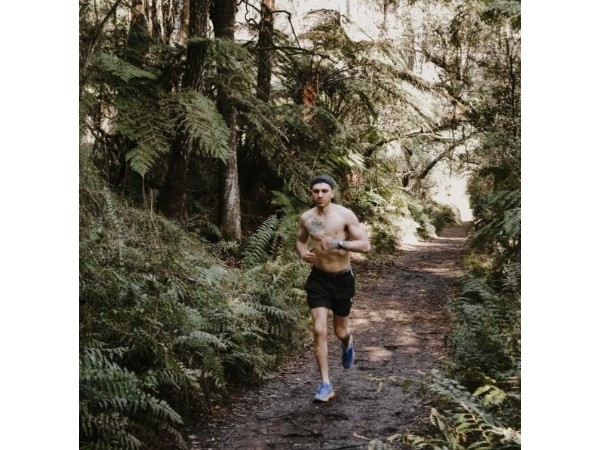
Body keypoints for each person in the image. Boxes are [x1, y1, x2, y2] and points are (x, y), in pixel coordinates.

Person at [296, 174, 372, 402]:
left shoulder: (344, 215)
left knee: (340, 331)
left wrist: (339, 243)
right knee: (319, 329)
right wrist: (303, 253)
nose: (319, 195)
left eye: (324, 191)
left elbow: (365, 245)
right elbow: (300, 240)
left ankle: (347, 342)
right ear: (311, 193)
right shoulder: (307, 218)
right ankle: (325, 384)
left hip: (342, 279)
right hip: (318, 279)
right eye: (315, 191)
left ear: (332, 193)